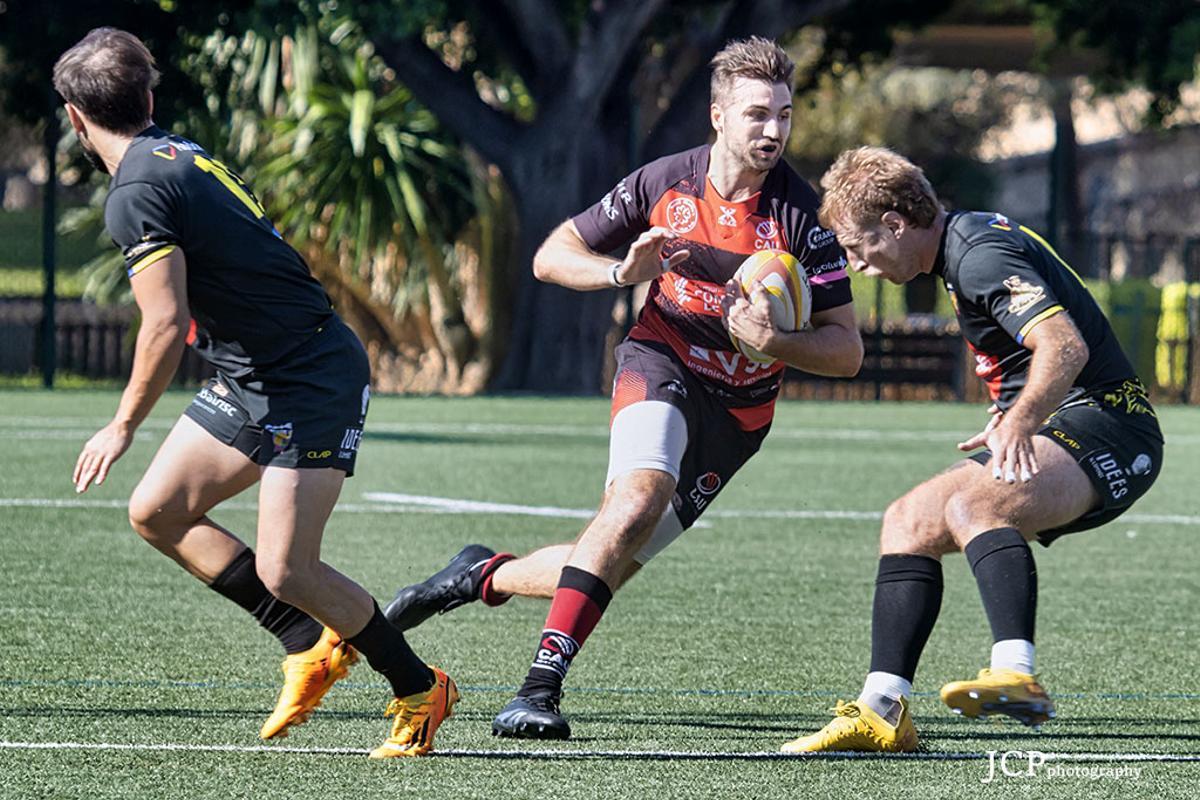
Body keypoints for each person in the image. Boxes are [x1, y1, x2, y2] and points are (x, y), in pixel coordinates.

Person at [384, 37, 863, 740]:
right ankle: (538, 689)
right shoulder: (664, 183)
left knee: (607, 563)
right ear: (719, 114)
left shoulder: (802, 219)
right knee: (637, 500)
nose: (773, 131)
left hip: (738, 418)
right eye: (757, 114)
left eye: (784, 116)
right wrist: (621, 273)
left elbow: (847, 349)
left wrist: (778, 344)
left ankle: (476, 575)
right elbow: (553, 257)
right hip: (659, 361)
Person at [57, 28, 456, 758]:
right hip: (254, 375)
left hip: (308, 375)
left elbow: (164, 323)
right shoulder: (174, 154)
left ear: (74, 118)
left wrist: (120, 425)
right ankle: (307, 642)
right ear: (147, 99)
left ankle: (420, 688)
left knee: (287, 567)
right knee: (157, 511)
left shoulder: (139, 189)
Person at [780, 146, 1164, 753]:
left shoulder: (979, 256)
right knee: (906, 521)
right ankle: (882, 711)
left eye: (858, 247)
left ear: (896, 225)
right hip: (1068, 424)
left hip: (1114, 428)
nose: (855, 264)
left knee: (973, 508)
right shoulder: (962, 246)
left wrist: (1017, 421)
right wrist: (1015, 411)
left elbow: (1063, 347)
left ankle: (1016, 673)